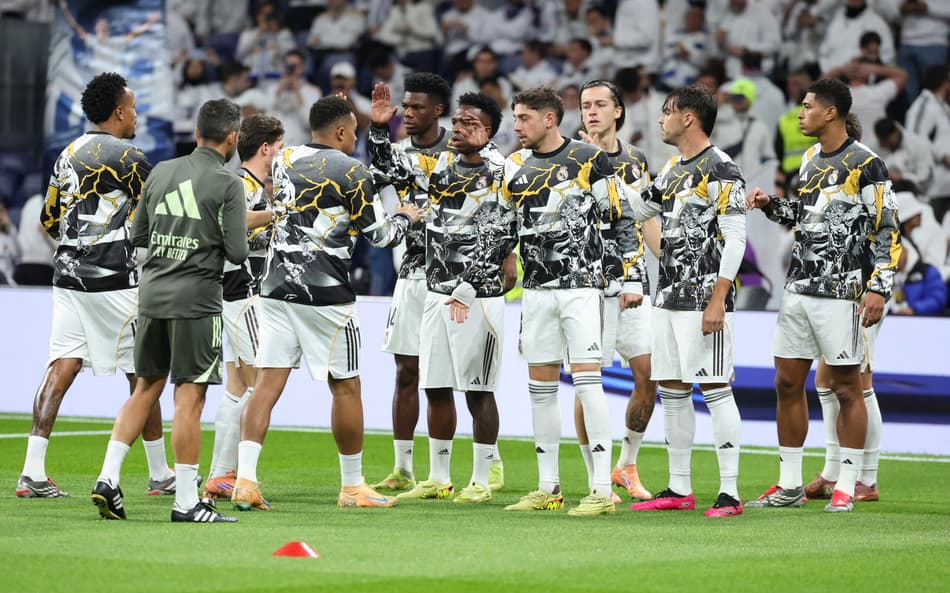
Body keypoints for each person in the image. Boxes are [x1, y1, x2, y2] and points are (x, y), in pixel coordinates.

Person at [232, 96, 423, 511]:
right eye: (353, 130)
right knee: (346, 386)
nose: (355, 138)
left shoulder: (285, 160)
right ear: (340, 132)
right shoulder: (351, 170)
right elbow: (381, 236)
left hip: (275, 287)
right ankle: (352, 487)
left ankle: (245, 480)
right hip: (325, 295)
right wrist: (407, 216)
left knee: (266, 385)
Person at [745, 78, 901, 513]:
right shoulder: (810, 158)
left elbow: (888, 227)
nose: (800, 113)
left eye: (807, 106)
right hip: (799, 287)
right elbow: (806, 215)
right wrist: (771, 205)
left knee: (848, 387)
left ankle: (847, 485)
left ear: (830, 113)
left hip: (843, 291)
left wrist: (878, 288)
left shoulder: (867, 164)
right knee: (786, 381)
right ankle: (789, 484)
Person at [91, 98, 249, 523]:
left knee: (145, 388)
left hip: (152, 295)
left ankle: (107, 478)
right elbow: (237, 252)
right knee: (189, 397)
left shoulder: (160, 171)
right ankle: (186, 502)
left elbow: (138, 234)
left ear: (197, 133)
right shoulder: (228, 183)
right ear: (233, 138)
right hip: (196, 300)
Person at [17, 72, 174, 499]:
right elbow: (155, 216)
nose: (137, 116)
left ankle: (32, 471)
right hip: (114, 279)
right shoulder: (130, 157)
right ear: (119, 112)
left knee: (62, 364)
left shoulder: (67, 154)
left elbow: (49, 220)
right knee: (144, 373)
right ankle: (160, 472)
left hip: (68, 276)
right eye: (134, 108)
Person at [492, 87, 640, 517]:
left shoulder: (589, 159)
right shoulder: (513, 166)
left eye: (524, 118)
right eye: (515, 118)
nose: (517, 126)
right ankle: (548, 487)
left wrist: (627, 278)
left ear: (549, 119)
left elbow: (620, 219)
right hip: (536, 291)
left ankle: (600, 490)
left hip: (582, 289)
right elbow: (503, 226)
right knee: (540, 390)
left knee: (588, 384)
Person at [370, 85, 516, 503]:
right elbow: (390, 170)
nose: (460, 128)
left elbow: (503, 233)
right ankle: (437, 477)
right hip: (434, 287)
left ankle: (483, 479)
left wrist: (468, 287)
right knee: (434, 383)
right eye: (458, 120)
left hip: (478, 294)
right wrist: (378, 132)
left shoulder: (502, 172)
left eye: (471, 123)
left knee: (478, 388)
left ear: (488, 131)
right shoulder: (442, 167)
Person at [618, 86, 747, 518]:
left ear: (688, 118)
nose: (661, 120)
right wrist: (604, 166)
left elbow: (736, 238)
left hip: (704, 299)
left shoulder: (722, 168)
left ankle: (729, 493)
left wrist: (719, 298)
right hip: (668, 297)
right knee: (672, 390)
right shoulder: (673, 168)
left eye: (667, 112)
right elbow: (639, 209)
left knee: (715, 388)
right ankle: (678, 488)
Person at [369, 73, 466, 494]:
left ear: (438, 111)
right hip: (411, 272)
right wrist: (377, 128)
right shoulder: (398, 153)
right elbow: (378, 171)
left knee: (449, 378)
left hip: (454, 276)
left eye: (416, 107)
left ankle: (466, 468)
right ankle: (402, 468)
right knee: (406, 371)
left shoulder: (464, 150)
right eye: (404, 106)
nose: (407, 113)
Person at [572, 79, 661, 502]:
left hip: (635, 282)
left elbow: (646, 217)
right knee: (588, 380)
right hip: (590, 282)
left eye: (600, 104)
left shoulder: (636, 160)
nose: (591, 111)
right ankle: (596, 480)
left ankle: (625, 463)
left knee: (649, 375)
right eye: (585, 105)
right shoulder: (571, 157)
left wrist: (669, 259)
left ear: (618, 111)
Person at [202, 115, 284, 501]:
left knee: (236, 388)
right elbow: (235, 222)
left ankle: (219, 474)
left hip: (234, 295)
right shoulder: (241, 184)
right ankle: (228, 474)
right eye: (280, 147)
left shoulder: (248, 183)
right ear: (265, 148)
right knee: (257, 386)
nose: (282, 153)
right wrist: (280, 214)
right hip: (242, 294)